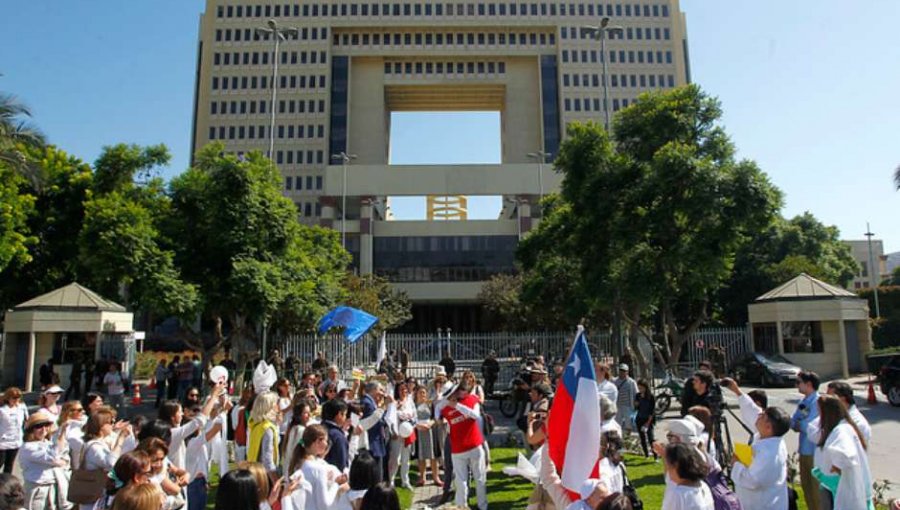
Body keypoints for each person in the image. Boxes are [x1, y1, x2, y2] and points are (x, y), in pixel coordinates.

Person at [812, 394, 872, 510]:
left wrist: (836, 466)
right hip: (841, 486)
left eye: (820, 411)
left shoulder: (841, 430)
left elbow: (846, 455)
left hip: (841, 488)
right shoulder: (845, 426)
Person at [729, 405, 790, 510]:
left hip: (764, 504)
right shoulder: (771, 440)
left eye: (762, 416)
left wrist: (736, 464)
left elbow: (753, 481)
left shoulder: (768, 454)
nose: (759, 415)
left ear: (768, 427)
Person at [440, 380, 487, 510]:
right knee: (460, 481)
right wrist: (448, 403)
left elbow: (475, 415)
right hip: (458, 449)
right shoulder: (445, 408)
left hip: (473, 445)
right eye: (448, 396)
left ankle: (482, 506)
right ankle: (462, 506)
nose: (451, 397)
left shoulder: (471, 399)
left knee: (479, 478)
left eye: (452, 394)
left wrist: (457, 406)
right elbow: (439, 409)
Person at [80, 406, 133, 510]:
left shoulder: (101, 441)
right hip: (93, 496)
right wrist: (121, 438)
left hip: (100, 494)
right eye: (110, 422)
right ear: (100, 426)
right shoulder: (94, 447)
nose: (113, 424)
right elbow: (111, 463)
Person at [289, 425, 350, 510]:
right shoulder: (318, 469)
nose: (326, 444)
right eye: (325, 440)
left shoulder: (298, 463)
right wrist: (336, 484)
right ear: (318, 441)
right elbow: (325, 505)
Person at [19, 411, 69, 510]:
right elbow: (53, 457)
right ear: (31, 430)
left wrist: (59, 461)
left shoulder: (47, 443)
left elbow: (65, 458)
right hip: (37, 489)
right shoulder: (28, 447)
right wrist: (61, 433)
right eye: (39, 426)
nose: (44, 429)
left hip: (53, 486)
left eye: (46, 425)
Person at [791, 370, 821, 510]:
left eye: (799, 382)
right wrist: (797, 424)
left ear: (808, 384)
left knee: (815, 489)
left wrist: (798, 424)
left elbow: (808, 426)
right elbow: (793, 422)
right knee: (806, 486)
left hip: (813, 451)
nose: (797, 385)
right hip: (804, 449)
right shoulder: (803, 401)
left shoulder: (817, 402)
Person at [807, 381, 871, 445]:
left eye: (829, 397)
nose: (826, 400)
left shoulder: (858, 421)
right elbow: (811, 430)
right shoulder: (831, 414)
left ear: (842, 399)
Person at [661, 442, 713, 510]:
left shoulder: (679, 494)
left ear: (676, 465)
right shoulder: (703, 486)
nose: (667, 468)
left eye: (667, 464)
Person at [359, 382, 389, 483]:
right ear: (372, 390)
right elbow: (373, 422)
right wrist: (384, 406)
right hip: (372, 444)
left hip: (376, 443)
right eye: (380, 390)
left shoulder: (371, 402)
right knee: (375, 478)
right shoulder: (367, 403)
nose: (382, 394)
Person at [387, 381, 415, 489]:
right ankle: (391, 480)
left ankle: (405, 480)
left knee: (406, 459)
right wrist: (393, 432)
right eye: (401, 389)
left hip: (408, 434)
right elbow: (390, 418)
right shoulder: (394, 403)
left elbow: (414, 415)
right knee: (395, 459)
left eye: (405, 389)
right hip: (397, 435)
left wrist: (411, 423)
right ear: (397, 391)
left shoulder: (410, 401)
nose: (404, 392)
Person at [413, 386, 441, 486]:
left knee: (433, 456)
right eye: (420, 392)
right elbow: (411, 419)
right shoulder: (413, 405)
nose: (422, 394)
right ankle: (422, 477)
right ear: (416, 394)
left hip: (430, 431)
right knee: (421, 456)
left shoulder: (430, 405)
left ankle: (436, 477)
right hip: (419, 431)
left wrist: (430, 424)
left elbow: (435, 417)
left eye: (424, 392)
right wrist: (418, 426)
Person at [247, 391, 280, 473]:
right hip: (263, 474)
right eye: (275, 404)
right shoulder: (267, 428)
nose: (278, 407)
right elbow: (267, 458)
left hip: (252, 468)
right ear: (269, 407)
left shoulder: (255, 424)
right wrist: (275, 479)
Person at [0, 387, 28, 474]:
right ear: (8, 398)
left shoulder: (22, 407)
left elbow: (26, 421)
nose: (16, 400)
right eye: (14, 398)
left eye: (18, 397)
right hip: (2, 441)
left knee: (9, 465)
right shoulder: (2, 410)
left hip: (15, 441)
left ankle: (5, 485)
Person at [322, 398, 351, 473]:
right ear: (339, 415)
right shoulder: (338, 436)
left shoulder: (320, 428)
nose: (346, 417)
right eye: (345, 414)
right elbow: (341, 464)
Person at [283, 400, 311, 474]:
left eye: (309, 412)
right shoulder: (300, 430)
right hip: (295, 469)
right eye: (306, 413)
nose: (309, 415)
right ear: (299, 414)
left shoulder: (292, 428)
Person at [634, 379, 657, 459]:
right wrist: (636, 404)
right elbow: (636, 408)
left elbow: (652, 411)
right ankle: (646, 455)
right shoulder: (638, 395)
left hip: (648, 419)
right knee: (642, 437)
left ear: (645, 387)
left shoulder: (651, 396)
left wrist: (648, 423)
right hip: (640, 418)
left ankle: (655, 456)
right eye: (639, 388)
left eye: (641, 388)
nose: (640, 390)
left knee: (651, 438)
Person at [614, 364, 638, 435]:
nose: (622, 372)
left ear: (627, 372)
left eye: (624, 371)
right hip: (617, 406)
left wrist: (636, 403)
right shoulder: (615, 381)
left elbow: (636, 393)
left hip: (628, 406)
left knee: (628, 424)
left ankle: (628, 437)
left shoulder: (631, 382)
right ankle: (618, 437)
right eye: (621, 370)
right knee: (617, 423)